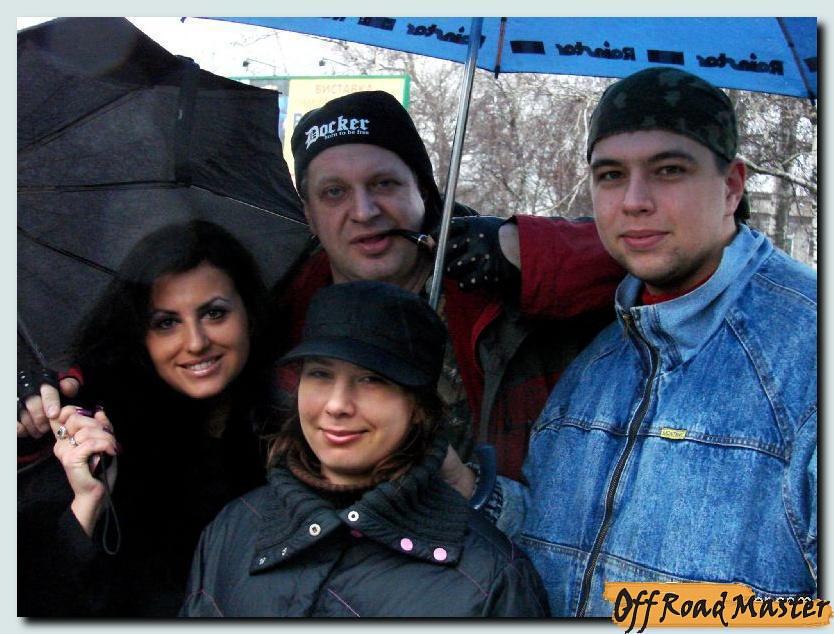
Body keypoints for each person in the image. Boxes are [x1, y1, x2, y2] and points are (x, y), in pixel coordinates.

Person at [443, 67, 818, 616]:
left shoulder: (808, 356)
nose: (634, 201)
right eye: (611, 175)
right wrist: (468, 487)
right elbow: (559, 550)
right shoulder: (599, 363)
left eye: (669, 170)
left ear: (732, 186)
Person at [274, 90, 623, 479]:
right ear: (309, 213)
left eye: (384, 184)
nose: (363, 211)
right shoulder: (281, 313)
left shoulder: (493, 289)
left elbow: (647, 258)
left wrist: (522, 248)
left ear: (423, 191)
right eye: (334, 192)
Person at [180, 281, 550, 617]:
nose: (337, 405)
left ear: (419, 407)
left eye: (371, 379)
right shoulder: (235, 527)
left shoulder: (490, 579)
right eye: (320, 374)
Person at [18, 220, 275, 616]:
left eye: (214, 313)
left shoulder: (294, 417)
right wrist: (87, 504)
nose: (196, 342)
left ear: (249, 313)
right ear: (140, 335)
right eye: (166, 323)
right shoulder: (94, 433)